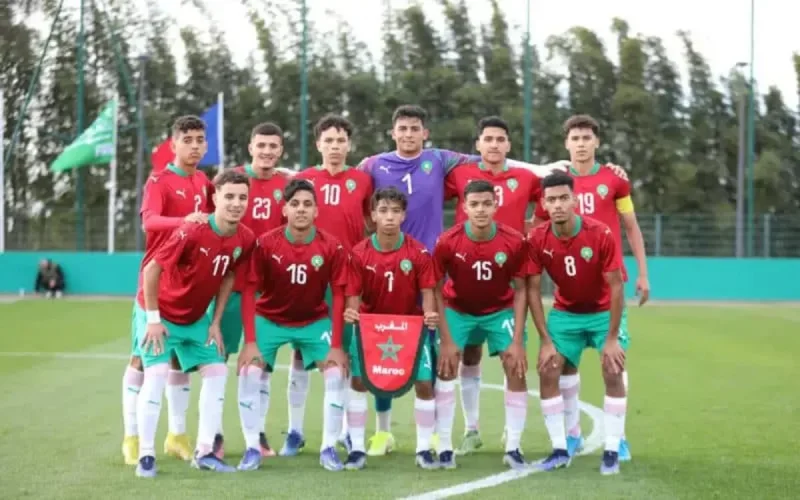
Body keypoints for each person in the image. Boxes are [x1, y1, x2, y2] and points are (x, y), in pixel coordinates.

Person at [280, 104, 566, 455]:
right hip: (376, 268)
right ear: (393, 132)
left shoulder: (440, 159)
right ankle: (375, 432)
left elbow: (488, 160)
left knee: (429, 354)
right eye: (403, 129)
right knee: (371, 347)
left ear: (424, 132)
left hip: (428, 269)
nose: (409, 134)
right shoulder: (372, 165)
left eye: (415, 128)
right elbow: (334, 179)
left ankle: (432, 434)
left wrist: (540, 168)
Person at [532, 114, 648, 461]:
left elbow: (630, 226)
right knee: (563, 367)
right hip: (569, 291)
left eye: (587, 137)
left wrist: (643, 272)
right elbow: (537, 230)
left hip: (607, 284)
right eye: (575, 138)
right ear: (566, 143)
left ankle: (619, 438)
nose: (581, 143)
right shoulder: (554, 184)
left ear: (597, 142)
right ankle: (570, 436)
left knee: (615, 363)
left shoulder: (614, 179)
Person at [134, 168, 256, 477]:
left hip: (196, 319)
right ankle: (146, 456)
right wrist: (152, 319)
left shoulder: (245, 237)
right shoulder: (192, 230)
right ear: (214, 198)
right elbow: (151, 271)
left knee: (217, 372)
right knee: (157, 374)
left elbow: (228, 274)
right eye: (229, 196)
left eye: (242, 197)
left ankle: (204, 452)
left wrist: (215, 321)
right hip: (158, 314)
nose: (236, 203)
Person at [235, 179, 351, 472]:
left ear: (316, 211)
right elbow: (249, 292)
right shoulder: (265, 244)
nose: (301, 209)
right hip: (270, 319)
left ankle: (328, 448)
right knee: (249, 371)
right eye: (295, 204)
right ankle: (252, 448)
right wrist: (250, 341)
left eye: (307, 204)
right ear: (284, 209)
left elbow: (339, 295)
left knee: (337, 373)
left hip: (313, 321)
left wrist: (336, 346)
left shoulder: (331, 245)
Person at [443, 116, 541, 454]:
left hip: (506, 283)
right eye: (488, 139)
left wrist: (536, 226)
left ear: (509, 145)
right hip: (463, 284)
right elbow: (423, 191)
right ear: (478, 145)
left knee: (513, 362)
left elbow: (562, 193)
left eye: (501, 139)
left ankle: (512, 443)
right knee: (467, 356)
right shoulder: (459, 175)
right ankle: (471, 429)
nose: (495, 144)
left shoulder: (526, 178)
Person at [121, 115, 215, 466]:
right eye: (186, 139)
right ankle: (132, 435)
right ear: (173, 144)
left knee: (179, 362)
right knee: (141, 361)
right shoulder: (159, 180)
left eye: (198, 139)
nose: (193, 145)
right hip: (156, 284)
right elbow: (149, 221)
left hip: (188, 288)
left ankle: (177, 436)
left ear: (205, 145)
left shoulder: (204, 180)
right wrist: (185, 220)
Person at [279, 115, 373, 456]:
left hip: (347, 280)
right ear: (318, 144)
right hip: (309, 278)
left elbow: (368, 223)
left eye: (340, 140)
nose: (335, 146)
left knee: (344, 353)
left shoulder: (362, 181)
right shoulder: (303, 179)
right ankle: (294, 430)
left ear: (349, 145)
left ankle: (348, 431)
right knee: (300, 353)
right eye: (328, 140)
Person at [526, 171, 628, 476]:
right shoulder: (538, 238)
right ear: (543, 203)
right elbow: (531, 289)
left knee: (613, 369)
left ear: (575, 200)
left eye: (563, 198)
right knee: (548, 369)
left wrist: (611, 338)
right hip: (566, 314)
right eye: (551, 200)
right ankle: (560, 448)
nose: (557, 205)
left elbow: (617, 286)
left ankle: (612, 449)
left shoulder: (600, 233)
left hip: (602, 313)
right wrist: (545, 340)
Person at [432, 180, 530, 470]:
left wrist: (518, 340)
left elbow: (522, 288)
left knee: (515, 366)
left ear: (495, 205)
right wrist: (447, 339)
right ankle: (447, 446)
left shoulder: (514, 241)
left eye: (487, 204)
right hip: (458, 311)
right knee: (448, 366)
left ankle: (513, 446)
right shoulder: (448, 241)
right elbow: (435, 288)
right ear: (464, 207)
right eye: (474, 204)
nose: (481, 210)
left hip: (500, 312)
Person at [342, 187, 439, 470]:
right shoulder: (359, 252)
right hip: (371, 328)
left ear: (403, 215)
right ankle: (357, 448)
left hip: (411, 329)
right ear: (372, 215)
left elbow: (428, 289)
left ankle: (423, 449)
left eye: (395, 211)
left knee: (423, 383)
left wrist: (430, 312)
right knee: (360, 382)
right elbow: (353, 294)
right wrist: (352, 309)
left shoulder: (418, 251)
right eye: (383, 211)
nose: (389, 217)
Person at [209, 122, 290, 459]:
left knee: (260, 363)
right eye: (262, 145)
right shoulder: (231, 178)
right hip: (230, 283)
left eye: (274, 146)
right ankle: (212, 435)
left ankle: (257, 433)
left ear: (281, 150)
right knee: (218, 359)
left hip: (267, 287)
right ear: (250, 147)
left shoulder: (286, 184)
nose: (267, 151)